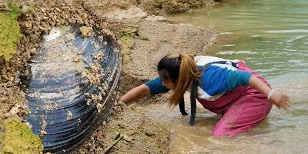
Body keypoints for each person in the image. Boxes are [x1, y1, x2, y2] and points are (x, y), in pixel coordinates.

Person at [119, 54, 291, 137]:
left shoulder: (210, 79)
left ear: (180, 79)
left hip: (256, 94)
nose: (162, 83)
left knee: (220, 136)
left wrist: (271, 94)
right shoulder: (182, 73)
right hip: (236, 96)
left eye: (165, 80)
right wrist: (119, 105)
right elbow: (145, 89)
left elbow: (246, 77)